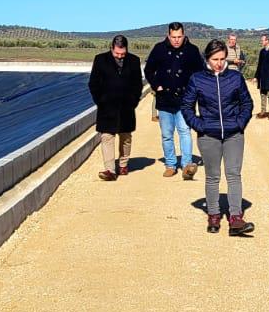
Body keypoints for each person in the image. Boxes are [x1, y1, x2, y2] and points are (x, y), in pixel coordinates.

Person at [180, 39, 255, 236]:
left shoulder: (235, 78)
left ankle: (236, 218)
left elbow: (247, 104)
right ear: (207, 58)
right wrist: (199, 126)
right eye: (215, 59)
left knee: (234, 174)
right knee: (212, 176)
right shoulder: (197, 79)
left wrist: (240, 123)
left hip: (233, 134)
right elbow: (186, 106)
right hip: (208, 135)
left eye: (222, 59)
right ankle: (213, 214)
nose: (219, 63)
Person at [144, 22, 205, 180]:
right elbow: (148, 69)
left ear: (184, 35)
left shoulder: (192, 51)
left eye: (179, 37)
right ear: (168, 35)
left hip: (185, 100)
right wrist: (156, 85)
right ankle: (170, 165)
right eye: (173, 37)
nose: (176, 40)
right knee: (166, 135)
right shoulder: (159, 49)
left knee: (185, 132)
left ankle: (186, 165)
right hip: (165, 100)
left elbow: (201, 73)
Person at [88, 35, 143, 181]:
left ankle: (123, 164)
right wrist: (100, 100)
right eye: (117, 53)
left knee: (125, 137)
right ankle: (110, 170)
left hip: (127, 106)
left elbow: (138, 84)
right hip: (107, 106)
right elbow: (93, 83)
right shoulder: (100, 60)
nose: (120, 56)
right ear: (111, 48)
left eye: (122, 54)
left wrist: (134, 101)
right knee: (106, 136)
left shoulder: (134, 60)